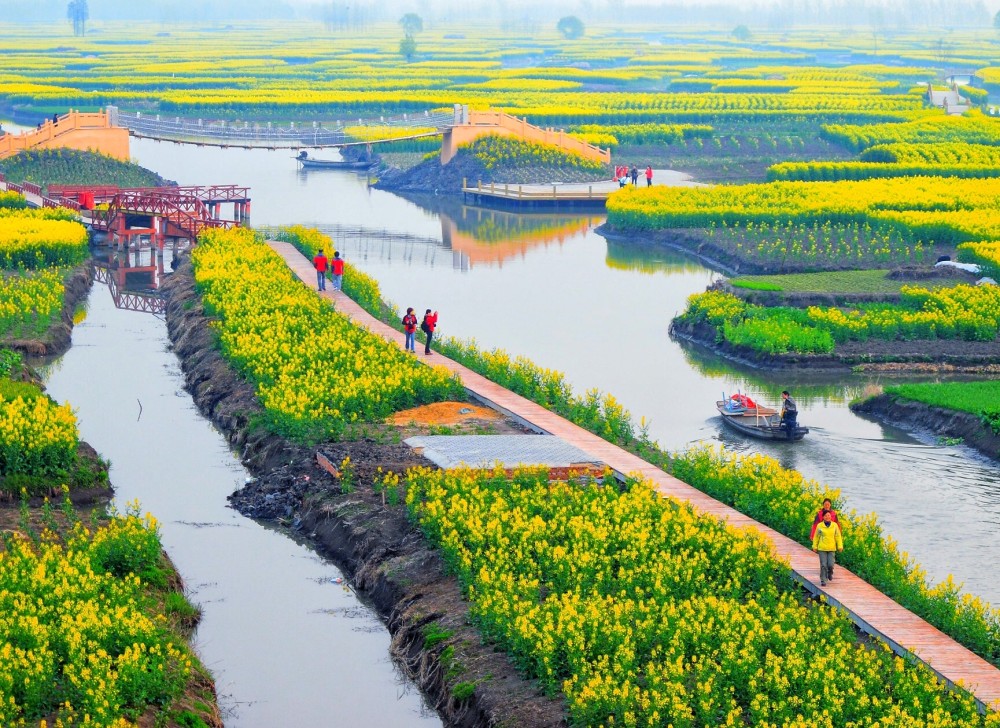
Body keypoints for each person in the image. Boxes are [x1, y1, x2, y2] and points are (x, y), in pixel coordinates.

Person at [811, 510, 843, 586]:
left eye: (829, 515)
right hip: (822, 548)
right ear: (823, 517)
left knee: (831, 564)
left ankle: (830, 573)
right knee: (823, 564)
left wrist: (840, 546)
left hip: (832, 548)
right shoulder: (820, 526)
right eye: (826, 516)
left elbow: (838, 536)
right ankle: (823, 580)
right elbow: (816, 537)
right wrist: (814, 546)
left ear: (831, 517)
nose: (828, 517)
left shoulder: (834, 525)